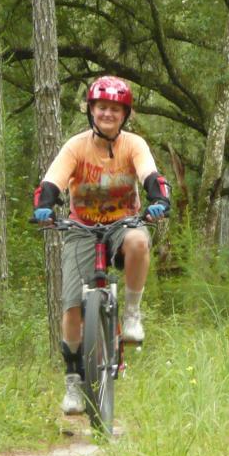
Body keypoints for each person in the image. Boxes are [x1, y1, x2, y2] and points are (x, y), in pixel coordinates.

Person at [33, 76, 171, 415]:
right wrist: (44, 206)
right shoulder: (76, 146)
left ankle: (132, 314)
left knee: (139, 241)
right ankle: (73, 383)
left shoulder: (134, 145)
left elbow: (151, 176)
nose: (108, 114)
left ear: (125, 114)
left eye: (115, 109)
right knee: (71, 308)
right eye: (102, 107)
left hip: (123, 225)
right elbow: (52, 181)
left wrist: (158, 200)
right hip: (80, 227)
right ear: (91, 111)